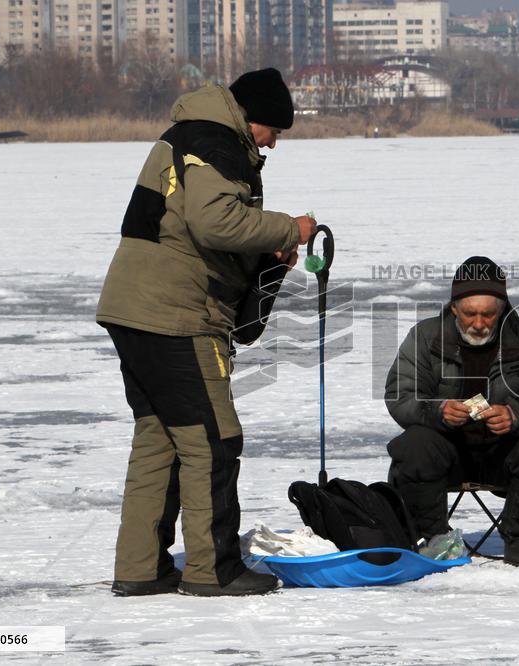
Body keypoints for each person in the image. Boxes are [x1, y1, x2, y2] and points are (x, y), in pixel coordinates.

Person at [96, 68, 317, 597]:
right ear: (254, 118)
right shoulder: (216, 140)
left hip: (134, 308)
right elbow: (214, 223)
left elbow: (203, 230)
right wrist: (292, 228)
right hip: (175, 316)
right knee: (213, 441)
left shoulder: (193, 135)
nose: (274, 144)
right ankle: (212, 569)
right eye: (274, 132)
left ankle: (142, 567)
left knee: (161, 440)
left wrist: (266, 259)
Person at [384, 257, 519, 568]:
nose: (479, 323)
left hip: (506, 456)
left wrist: (516, 416)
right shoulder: (424, 337)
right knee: (414, 444)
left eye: (488, 314)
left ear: (501, 309)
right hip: (446, 455)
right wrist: (439, 411)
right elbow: (400, 395)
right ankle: (432, 539)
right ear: (454, 307)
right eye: (470, 313)